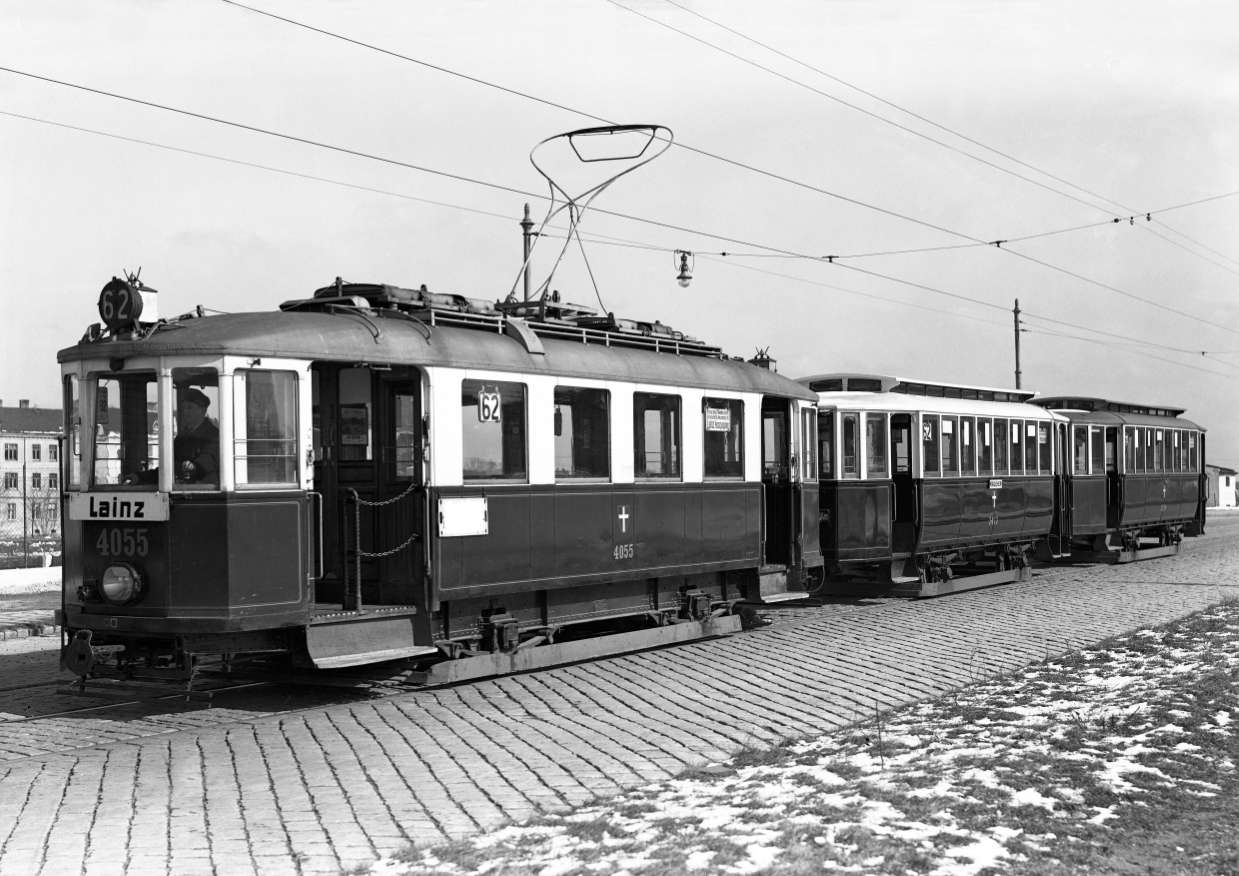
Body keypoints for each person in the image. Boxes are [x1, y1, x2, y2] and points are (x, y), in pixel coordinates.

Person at [174, 389, 219, 483]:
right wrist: (139, 477)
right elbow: (169, 466)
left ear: (203, 411)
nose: (185, 411)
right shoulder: (181, 438)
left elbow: (207, 461)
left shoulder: (214, 436)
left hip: (207, 490)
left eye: (190, 407)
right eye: (184, 407)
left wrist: (194, 467)